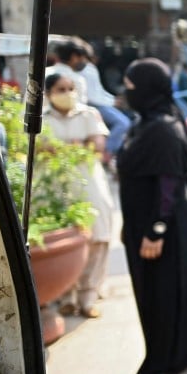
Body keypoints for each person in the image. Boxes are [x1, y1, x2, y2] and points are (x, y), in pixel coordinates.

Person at [117, 58, 187, 374]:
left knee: (161, 293)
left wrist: (155, 228)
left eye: (131, 86)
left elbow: (170, 182)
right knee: (158, 290)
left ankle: (162, 361)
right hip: (147, 222)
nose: (126, 91)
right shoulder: (144, 123)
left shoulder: (161, 128)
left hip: (164, 226)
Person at [42, 72, 113, 319]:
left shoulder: (88, 114)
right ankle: (66, 297)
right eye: (60, 89)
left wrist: (60, 147)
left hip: (89, 181)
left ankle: (89, 297)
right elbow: (39, 147)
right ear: (48, 93)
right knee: (63, 239)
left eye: (70, 88)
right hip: (54, 185)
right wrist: (78, 144)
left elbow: (98, 145)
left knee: (98, 234)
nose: (67, 94)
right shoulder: (40, 118)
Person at [54, 38, 132, 161]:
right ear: (75, 57)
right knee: (122, 123)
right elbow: (89, 100)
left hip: (54, 124)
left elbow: (98, 92)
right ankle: (106, 154)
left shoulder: (47, 73)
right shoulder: (76, 79)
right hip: (74, 123)